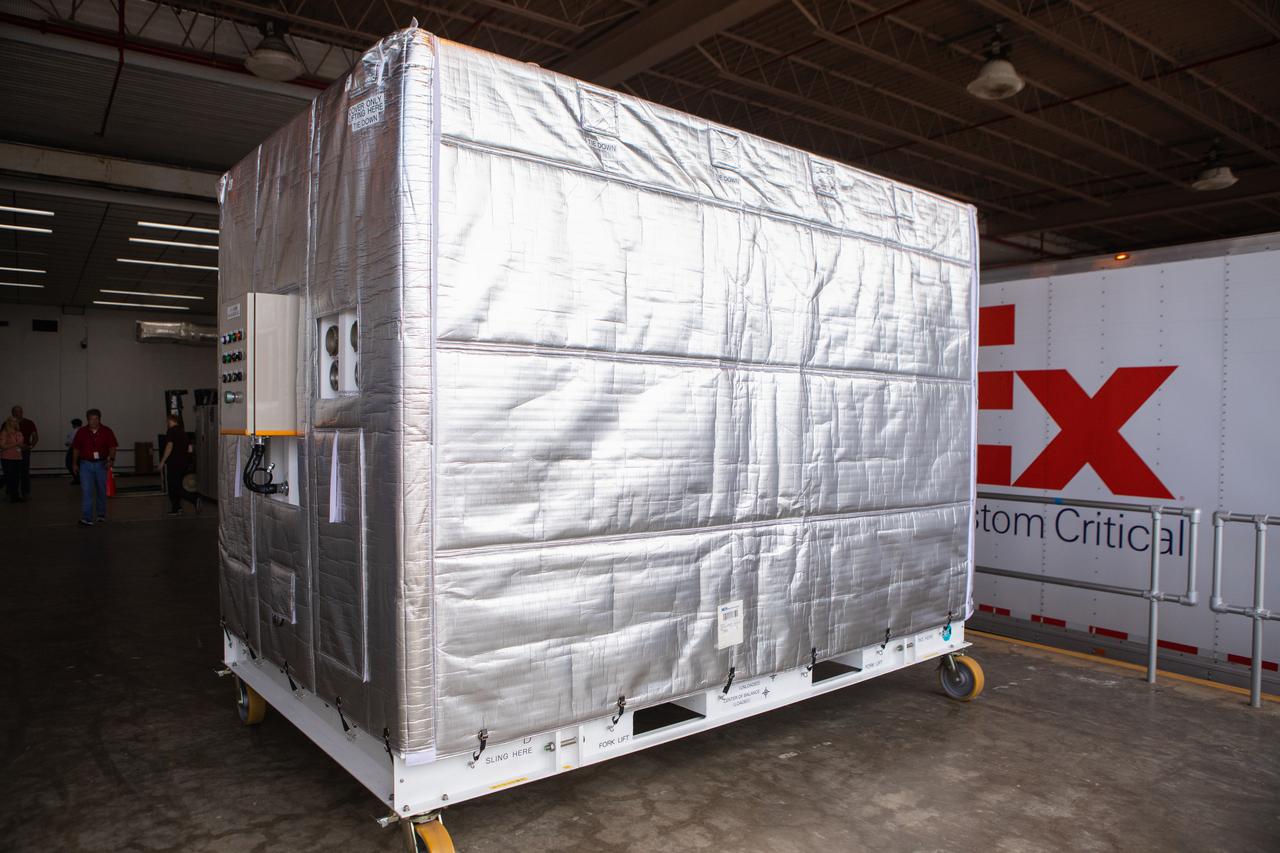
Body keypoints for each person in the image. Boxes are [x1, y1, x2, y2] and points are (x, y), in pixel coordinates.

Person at [71, 408, 117, 526]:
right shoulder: (81, 432)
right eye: (91, 419)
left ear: (100, 419)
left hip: (102, 465)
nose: (94, 421)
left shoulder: (107, 431)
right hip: (85, 465)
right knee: (87, 491)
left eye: (96, 419)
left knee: (101, 491)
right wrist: (74, 463)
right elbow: (76, 448)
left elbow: (112, 447)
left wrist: (111, 459)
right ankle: (87, 518)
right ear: (87, 420)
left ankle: (101, 515)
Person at [159, 414, 200, 516]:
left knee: (174, 487)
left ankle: (194, 500)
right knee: (177, 485)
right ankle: (177, 508)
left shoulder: (171, 431)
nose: (166, 423)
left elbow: (169, 446)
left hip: (174, 463)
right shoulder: (183, 432)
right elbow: (190, 449)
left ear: (171, 421)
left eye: (167, 421)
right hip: (183, 463)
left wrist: (162, 461)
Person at [12, 405, 37, 498]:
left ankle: (25, 492)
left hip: (24, 451)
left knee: (24, 472)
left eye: (20, 411)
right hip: (11, 452)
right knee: (12, 473)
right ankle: (13, 493)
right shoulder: (7, 423)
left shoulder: (29, 423)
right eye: (17, 411)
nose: (19, 413)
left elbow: (35, 436)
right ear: (13, 413)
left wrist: (30, 446)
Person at [1, 417, 25, 502]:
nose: (15, 422)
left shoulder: (19, 433)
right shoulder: (4, 433)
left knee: (16, 478)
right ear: (9, 422)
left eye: (16, 421)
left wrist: (22, 446)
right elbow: (2, 446)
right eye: (13, 421)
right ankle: (11, 495)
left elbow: (21, 445)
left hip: (18, 457)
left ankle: (15, 496)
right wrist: (15, 444)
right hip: (7, 458)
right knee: (9, 477)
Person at [64, 418, 83, 484]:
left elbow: (70, 442)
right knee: (79, 464)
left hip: (73, 449)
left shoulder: (75, 431)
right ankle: (79, 478)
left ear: (74, 425)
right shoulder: (83, 431)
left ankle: (77, 478)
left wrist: (68, 443)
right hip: (80, 450)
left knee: (69, 464)